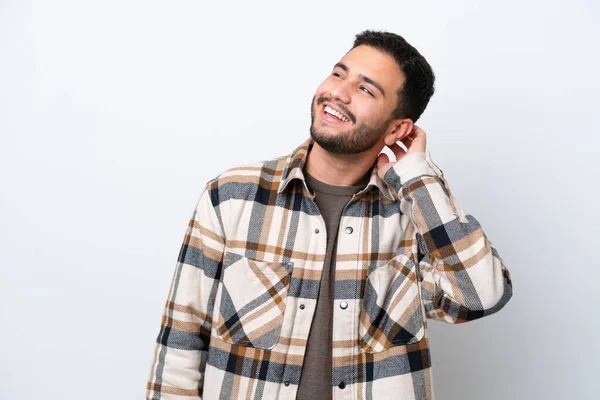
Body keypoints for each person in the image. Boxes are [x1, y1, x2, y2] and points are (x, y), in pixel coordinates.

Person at [146, 30, 513, 400]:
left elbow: (480, 295)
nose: (339, 92)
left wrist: (417, 176)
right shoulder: (233, 196)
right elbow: (182, 339)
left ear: (397, 129)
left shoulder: (415, 215)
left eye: (366, 89)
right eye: (339, 74)